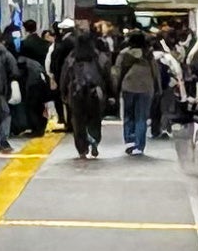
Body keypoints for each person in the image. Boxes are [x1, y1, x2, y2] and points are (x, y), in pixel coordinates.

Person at [56, 26, 112, 160]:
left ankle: (82, 149)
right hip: (95, 93)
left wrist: (63, 92)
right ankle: (94, 141)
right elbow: (108, 76)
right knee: (95, 119)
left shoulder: (72, 57)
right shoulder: (99, 57)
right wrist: (110, 93)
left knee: (78, 121)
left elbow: (64, 76)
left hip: (76, 93)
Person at [116, 24, 163, 158]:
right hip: (146, 88)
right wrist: (158, 88)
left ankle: (129, 142)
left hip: (128, 87)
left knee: (128, 115)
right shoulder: (148, 55)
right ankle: (139, 146)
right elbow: (155, 72)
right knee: (141, 117)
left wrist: (115, 88)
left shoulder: (124, 54)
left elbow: (117, 72)